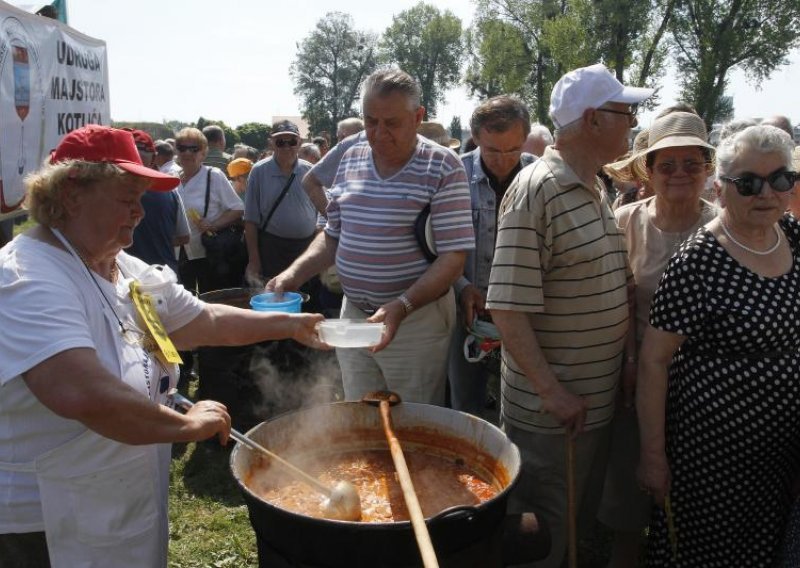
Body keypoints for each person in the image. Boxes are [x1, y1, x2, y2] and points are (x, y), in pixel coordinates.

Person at [0, 125, 326, 568]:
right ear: (71, 192)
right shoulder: (29, 276)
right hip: (49, 521)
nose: (139, 212)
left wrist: (289, 326)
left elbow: (201, 319)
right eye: (127, 198)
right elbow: (80, 392)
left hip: (115, 493)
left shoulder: (120, 264)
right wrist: (186, 427)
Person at [485, 63, 653, 568]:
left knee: (571, 531)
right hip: (551, 416)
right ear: (593, 119)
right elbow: (507, 307)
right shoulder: (537, 189)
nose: (634, 125)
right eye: (627, 113)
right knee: (544, 535)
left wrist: (621, 364)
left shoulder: (592, 186)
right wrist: (553, 393)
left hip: (587, 409)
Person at [637, 124, 800, 565]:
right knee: (707, 550)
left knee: (768, 543)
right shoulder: (697, 261)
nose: (766, 192)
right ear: (721, 188)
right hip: (712, 453)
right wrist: (653, 458)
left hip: (782, 448)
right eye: (748, 183)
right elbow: (654, 362)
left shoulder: (794, 236)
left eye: (781, 179)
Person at [268, 68, 475, 405]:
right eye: (370, 120)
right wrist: (294, 274)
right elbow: (334, 234)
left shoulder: (443, 166)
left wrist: (401, 306)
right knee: (360, 412)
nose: (378, 133)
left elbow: (453, 258)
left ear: (418, 116)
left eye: (391, 123)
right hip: (355, 316)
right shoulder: (351, 154)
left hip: (415, 321)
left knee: (412, 420)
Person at [598, 111, 717, 568]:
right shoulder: (624, 221)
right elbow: (617, 301)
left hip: (703, 389)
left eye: (692, 163)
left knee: (695, 504)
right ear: (648, 171)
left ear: (708, 169)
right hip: (633, 381)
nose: (680, 173)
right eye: (667, 164)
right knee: (629, 501)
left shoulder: (724, 229)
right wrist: (629, 361)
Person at [448, 95, 535, 415]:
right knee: (464, 400)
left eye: (513, 149)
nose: (503, 160)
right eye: (492, 150)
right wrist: (461, 287)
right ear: (476, 139)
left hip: (523, 312)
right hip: (464, 310)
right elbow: (434, 244)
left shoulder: (538, 178)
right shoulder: (454, 174)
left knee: (519, 402)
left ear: (525, 140)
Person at [243, 120, 317, 288]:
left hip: (306, 249)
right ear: (271, 143)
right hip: (272, 250)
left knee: (308, 300)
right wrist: (254, 261)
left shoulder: (310, 171)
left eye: (291, 141)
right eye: (280, 142)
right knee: (274, 299)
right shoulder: (258, 171)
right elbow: (250, 220)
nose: (286, 146)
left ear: (299, 142)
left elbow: (322, 214)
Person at [174, 127, 244, 293]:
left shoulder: (214, 175)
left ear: (203, 153)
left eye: (194, 149)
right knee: (185, 303)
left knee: (211, 299)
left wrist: (213, 225)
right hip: (179, 254)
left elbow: (238, 208)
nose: (187, 153)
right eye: (182, 148)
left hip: (208, 253)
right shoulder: (173, 178)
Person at [125, 130, 191, 273]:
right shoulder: (171, 192)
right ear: (154, 158)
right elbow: (184, 236)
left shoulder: (106, 193)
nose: (139, 212)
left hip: (133, 280)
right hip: (165, 275)